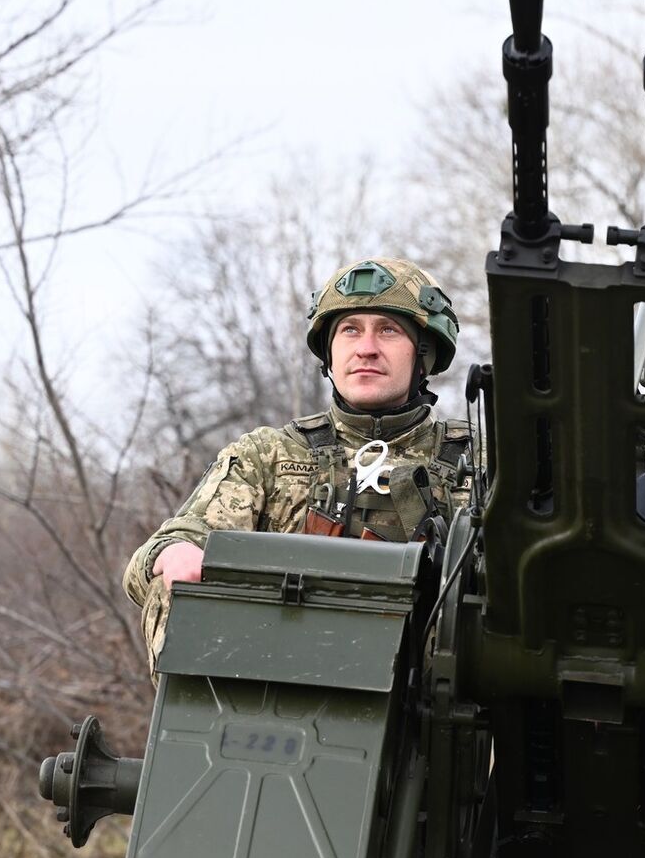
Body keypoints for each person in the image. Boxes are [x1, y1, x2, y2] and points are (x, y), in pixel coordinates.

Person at [123, 257, 470, 665]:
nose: (366, 348)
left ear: (424, 352)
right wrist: (172, 553)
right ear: (329, 351)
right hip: (278, 684)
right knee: (173, 576)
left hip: (439, 693)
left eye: (388, 330)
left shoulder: (478, 461)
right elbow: (155, 559)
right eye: (350, 330)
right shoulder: (268, 456)